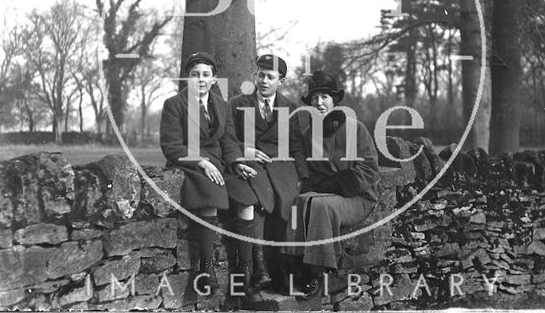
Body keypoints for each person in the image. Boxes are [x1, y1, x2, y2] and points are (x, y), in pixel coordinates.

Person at [282, 70, 380, 298]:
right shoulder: (309, 134)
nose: (319, 103)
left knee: (318, 206)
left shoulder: (355, 128)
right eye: (315, 98)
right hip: (327, 194)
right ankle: (293, 262)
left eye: (325, 97)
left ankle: (315, 270)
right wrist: (317, 183)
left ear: (334, 101)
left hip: (358, 197)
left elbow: (370, 170)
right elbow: (310, 170)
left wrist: (335, 184)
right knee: (301, 201)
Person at [223, 54, 305, 302]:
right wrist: (243, 152)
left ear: (281, 80)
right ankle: (259, 268)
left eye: (271, 77)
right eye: (260, 75)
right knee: (257, 202)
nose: (264, 81)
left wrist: (303, 177)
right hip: (251, 165)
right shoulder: (237, 104)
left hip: (281, 169)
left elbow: (298, 147)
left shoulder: (290, 109)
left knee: (288, 207)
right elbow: (226, 138)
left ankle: (282, 270)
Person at [160, 52, 228, 295]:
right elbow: (171, 146)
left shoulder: (221, 105)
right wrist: (201, 161)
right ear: (187, 78)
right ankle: (206, 267)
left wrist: (238, 163)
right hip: (189, 162)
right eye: (194, 75)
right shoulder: (174, 105)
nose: (200, 80)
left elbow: (228, 141)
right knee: (210, 193)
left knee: (248, 193)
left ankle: (250, 268)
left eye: (205, 75)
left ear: (214, 79)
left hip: (218, 162)